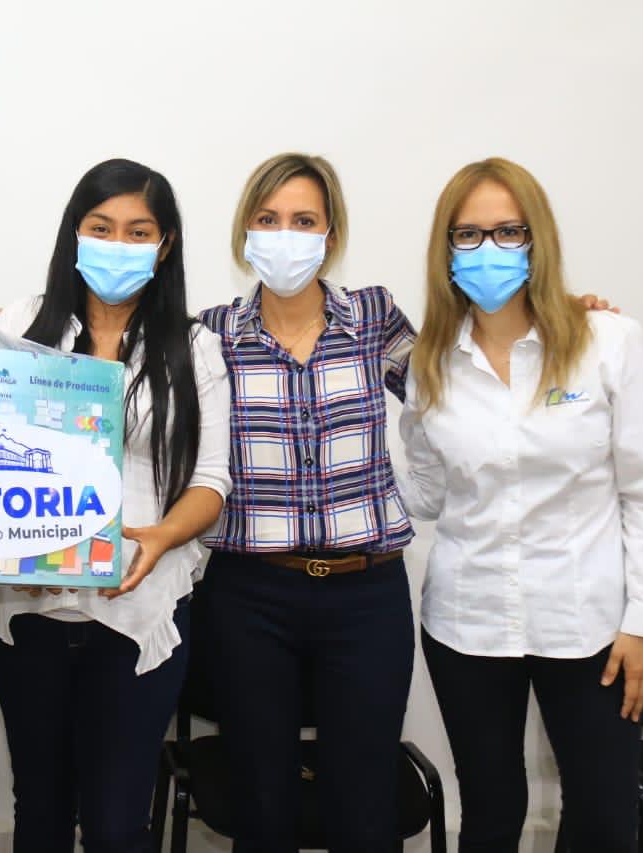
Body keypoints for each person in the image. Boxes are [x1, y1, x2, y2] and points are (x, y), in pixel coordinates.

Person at [399, 157, 643, 852]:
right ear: (445, 248)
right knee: (491, 813)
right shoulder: (429, 363)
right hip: (467, 622)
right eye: (468, 234)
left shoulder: (607, 341)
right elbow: (426, 494)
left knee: (604, 816)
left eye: (508, 231)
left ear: (537, 238)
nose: (488, 249)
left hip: (590, 625)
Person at [0, 158, 232, 852]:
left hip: (138, 607)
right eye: (101, 227)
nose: (118, 245)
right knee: (40, 810)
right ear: (75, 232)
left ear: (165, 244)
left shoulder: (195, 348)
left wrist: (160, 536)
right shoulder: (17, 328)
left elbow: (212, 480)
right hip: (27, 607)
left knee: (119, 823)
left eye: (138, 232)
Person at [196, 152, 417, 852]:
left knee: (366, 807)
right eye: (268, 219)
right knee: (262, 806)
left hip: (367, 594)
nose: (284, 235)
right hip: (250, 596)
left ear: (331, 234)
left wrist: (563, 323)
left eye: (303, 220)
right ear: (244, 232)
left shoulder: (373, 317)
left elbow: (463, 387)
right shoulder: (209, 335)